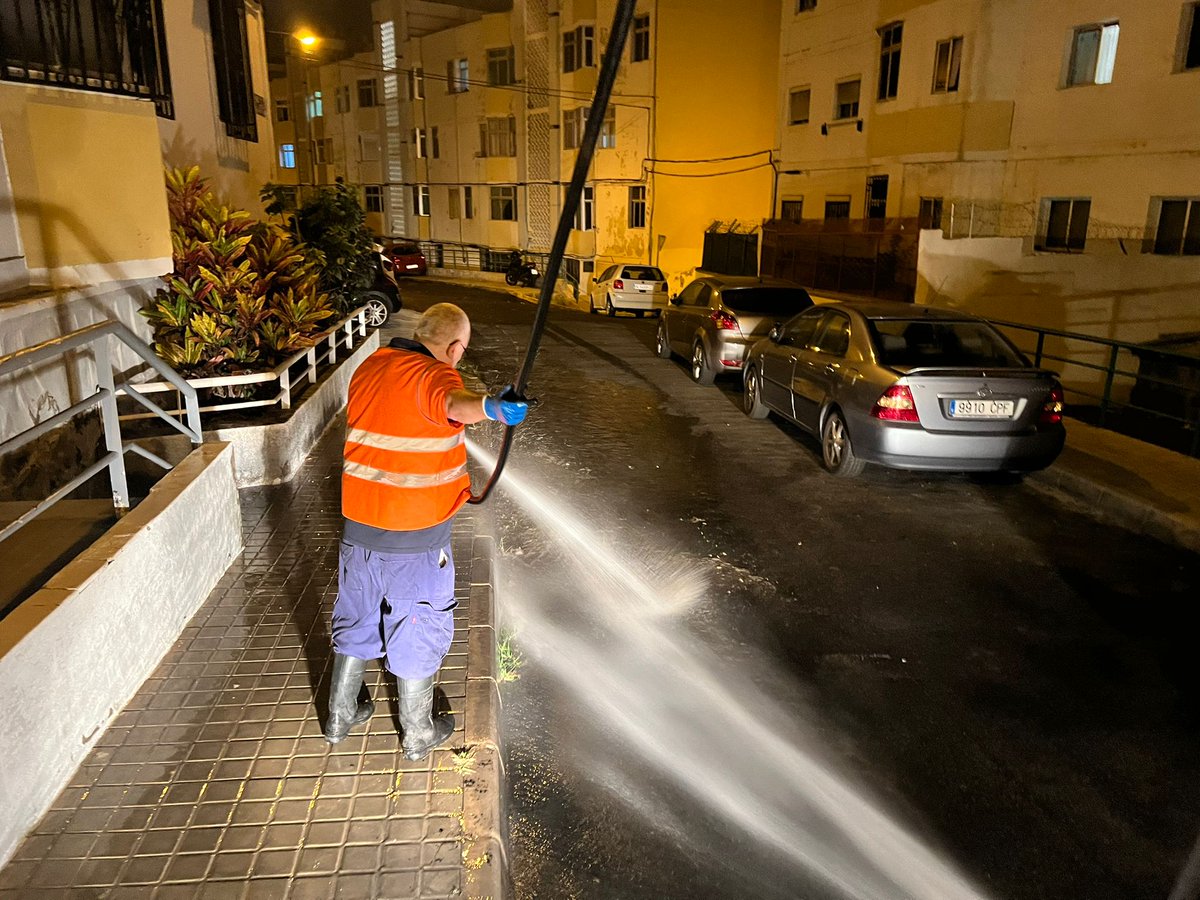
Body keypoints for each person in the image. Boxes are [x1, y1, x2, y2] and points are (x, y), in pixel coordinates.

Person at [325, 303, 528, 760]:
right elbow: (453, 404)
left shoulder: (371, 367)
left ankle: (339, 716)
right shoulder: (435, 375)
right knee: (417, 622)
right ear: (455, 347)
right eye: (461, 351)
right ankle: (417, 731)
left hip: (358, 529)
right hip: (414, 538)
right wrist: (492, 407)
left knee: (356, 615)